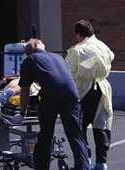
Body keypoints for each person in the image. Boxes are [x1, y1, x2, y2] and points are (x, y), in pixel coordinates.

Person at [18, 38, 90, 170]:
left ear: (28, 52)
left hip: (51, 95)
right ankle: (84, 167)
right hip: (71, 93)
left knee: (46, 134)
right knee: (75, 134)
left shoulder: (29, 60)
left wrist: (23, 112)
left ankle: (41, 166)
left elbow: (25, 90)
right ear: (42, 47)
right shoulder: (58, 57)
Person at [65, 19, 114, 170]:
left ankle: (85, 162)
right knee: (101, 126)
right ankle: (102, 163)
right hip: (103, 88)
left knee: (79, 128)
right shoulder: (103, 46)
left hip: (84, 91)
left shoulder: (76, 50)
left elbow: (68, 73)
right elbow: (111, 56)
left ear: (79, 34)